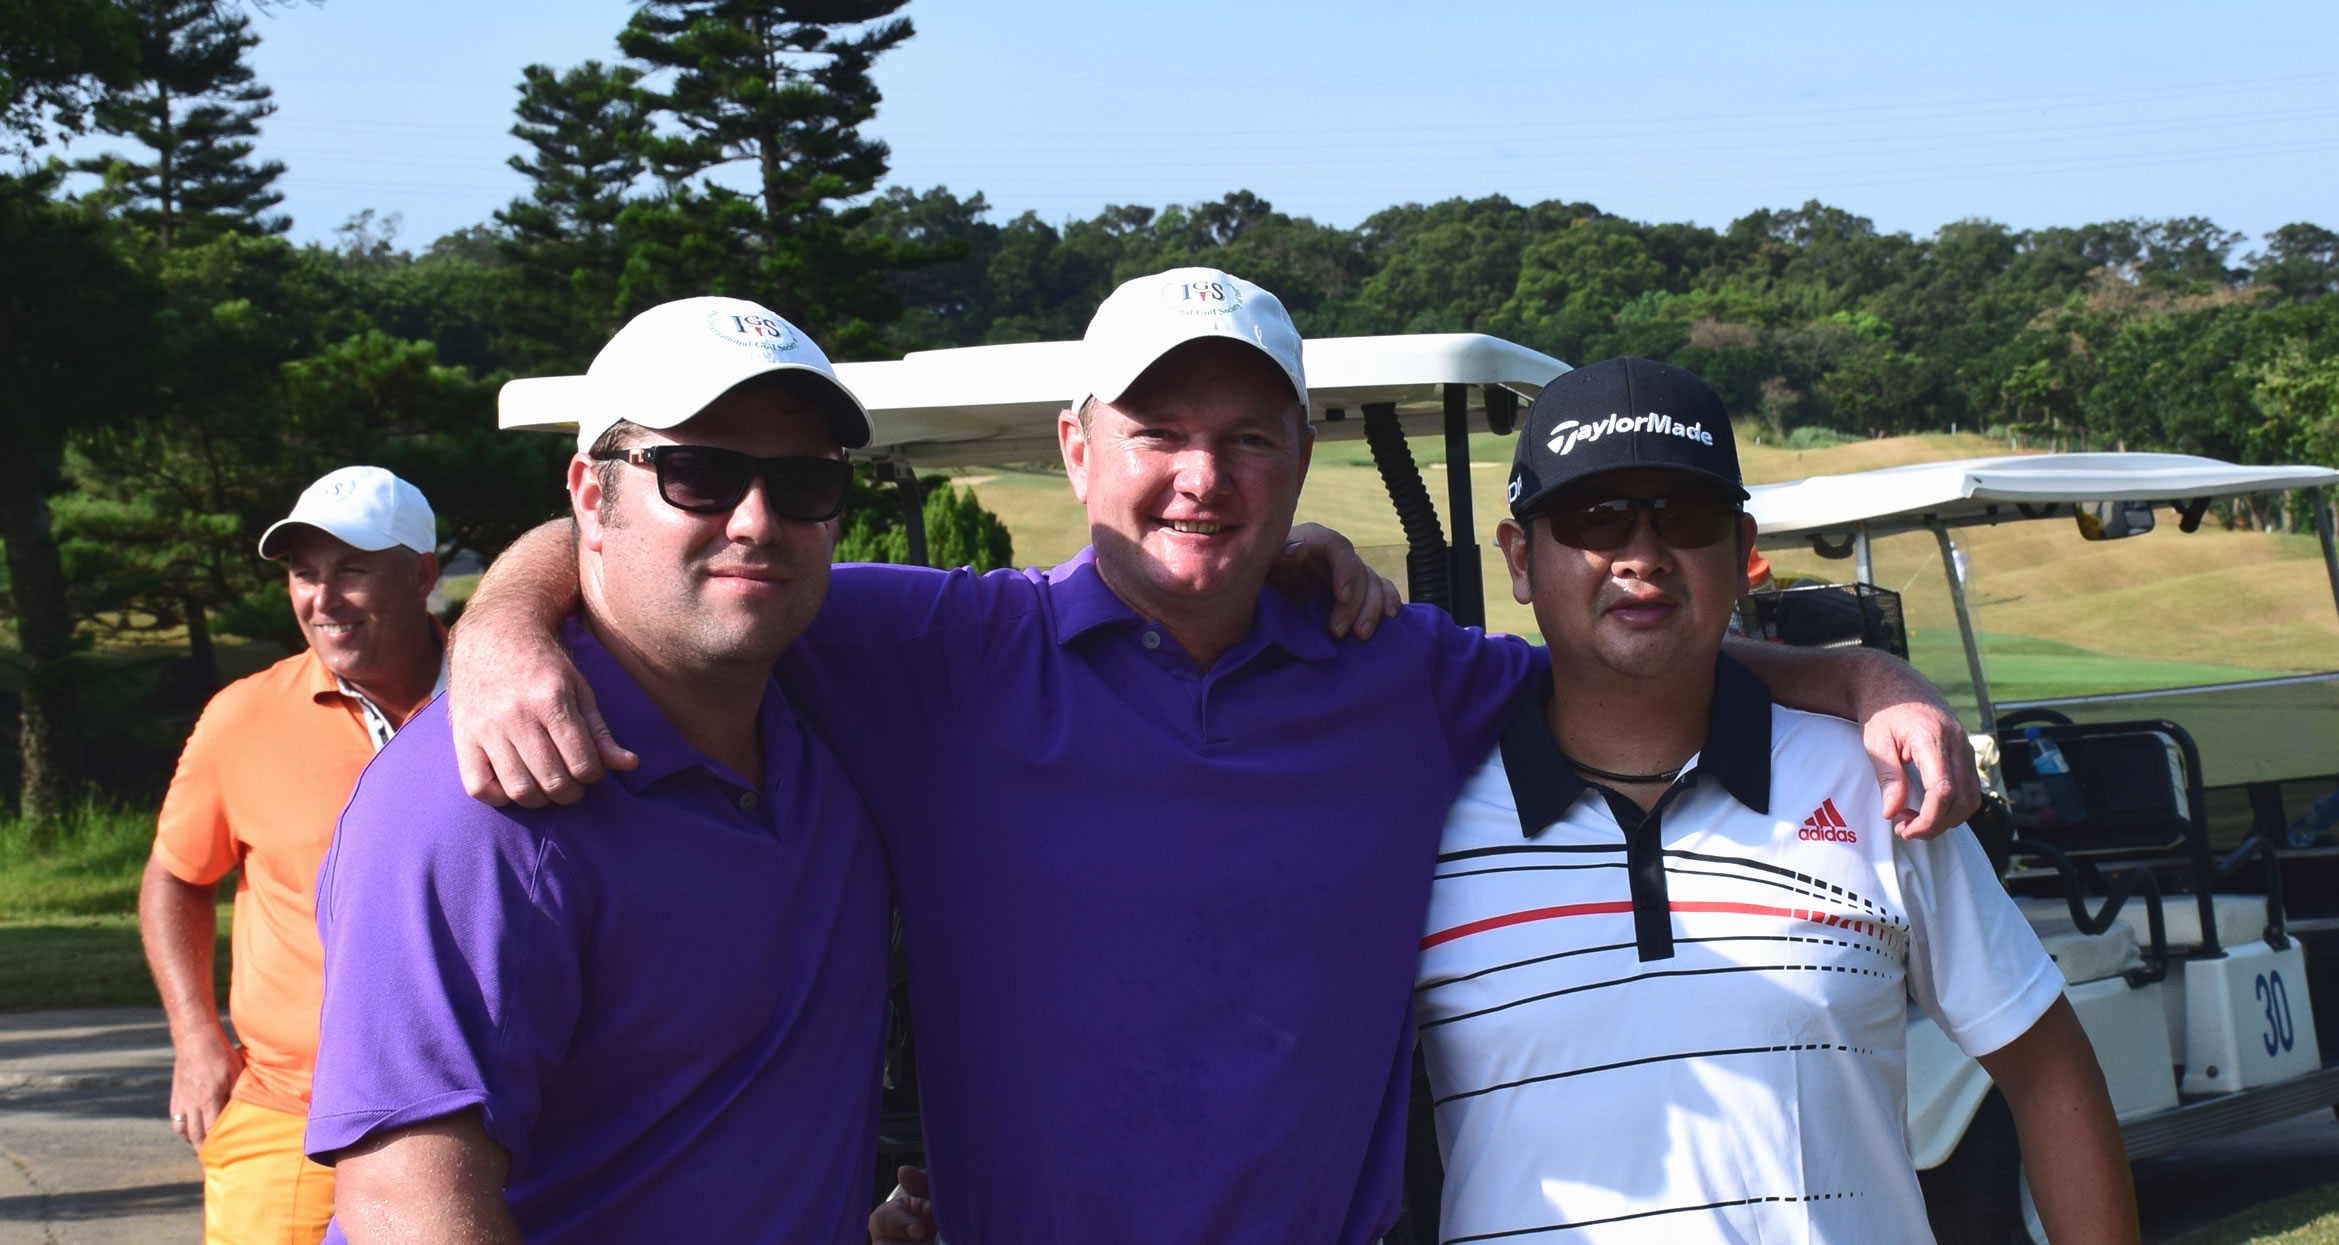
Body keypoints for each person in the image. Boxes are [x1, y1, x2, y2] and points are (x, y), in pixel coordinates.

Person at [454, 269, 1981, 1245]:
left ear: (1298, 459)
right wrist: (504, 630)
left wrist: (1854, 675)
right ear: (1076, 450)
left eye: (1248, 438)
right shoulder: (938, 650)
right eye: (1158, 433)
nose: (1203, 476)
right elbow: (666, 539)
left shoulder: (1391, 671)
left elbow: (1618, 657)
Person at [1415, 356, 2137, 1242]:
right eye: (1593, 516)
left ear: (1740, 553)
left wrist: (1868, 676)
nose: (1642, 554)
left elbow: (2048, 1069)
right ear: (1521, 557)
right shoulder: (1419, 813)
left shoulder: (1868, 784)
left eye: (1685, 515)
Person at [301, 298, 893, 1243]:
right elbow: (406, 1208)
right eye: (698, 474)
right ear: (589, 496)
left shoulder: (842, 704)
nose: (756, 520)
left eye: (803, 482)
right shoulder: (476, 801)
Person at [140, 465, 446, 1245]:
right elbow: (174, 875)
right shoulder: (243, 716)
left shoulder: (504, 697)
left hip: (474, 1108)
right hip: (290, 1110)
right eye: (305, 574)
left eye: (351, 569)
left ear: (421, 575)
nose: (323, 597)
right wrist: (194, 1036)